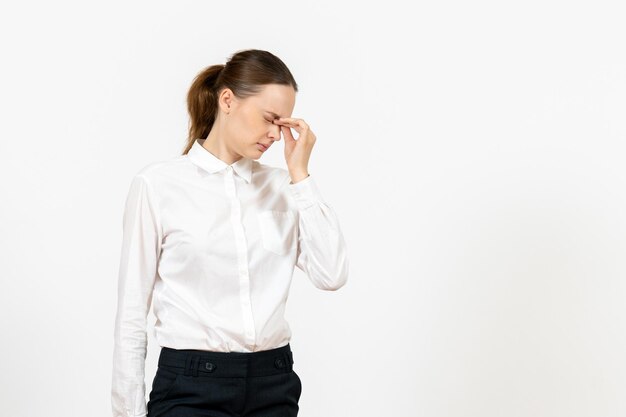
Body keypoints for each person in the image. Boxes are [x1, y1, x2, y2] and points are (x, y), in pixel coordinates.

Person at [110, 48, 349, 417]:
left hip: (275, 384)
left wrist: (301, 175)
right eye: (269, 118)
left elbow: (331, 274)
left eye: (282, 123)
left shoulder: (284, 187)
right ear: (227, 100)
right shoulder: (158, 186)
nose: (274, 134)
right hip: (190, 388)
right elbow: (130, 314)